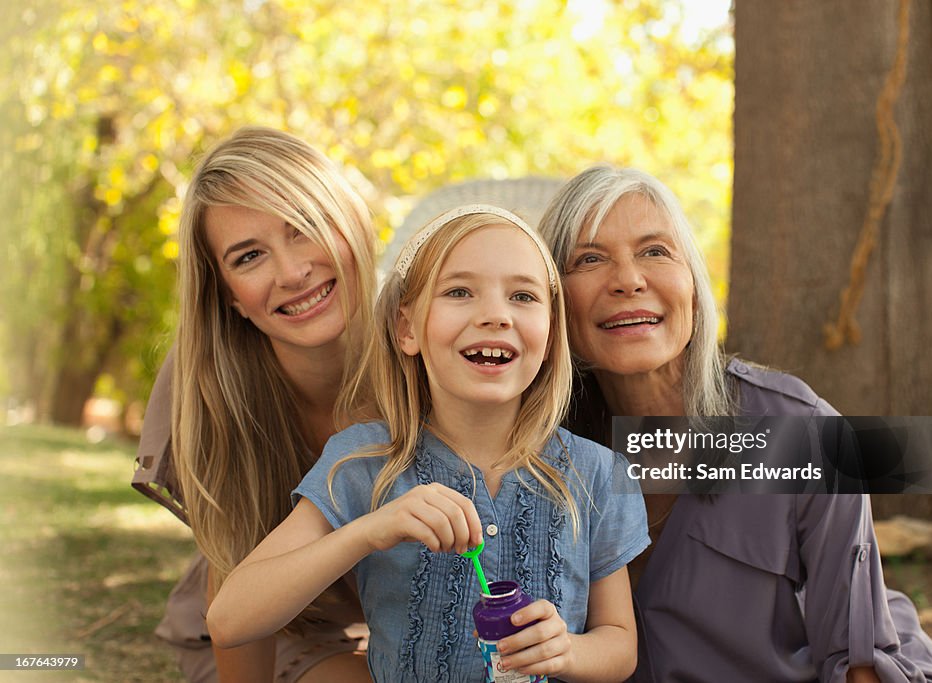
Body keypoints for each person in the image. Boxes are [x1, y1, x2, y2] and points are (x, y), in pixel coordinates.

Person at [536, 165, 932, 683]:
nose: (628, 280)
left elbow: (856, 662)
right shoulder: (533, 450)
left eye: (655, 252)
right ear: (552, 297)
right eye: (590, 259)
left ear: (692, 281)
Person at [206, 205, 650, 682]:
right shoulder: (364, 463)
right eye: (459, 292)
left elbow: (620, 644)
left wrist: (566, 651)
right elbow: (230, 619)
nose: (496, 315)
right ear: (407, 328)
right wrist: (368, 532)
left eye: (523, 295)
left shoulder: (598, 473)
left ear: (550, 332)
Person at [132, 127, 378, 682]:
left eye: (305, 228)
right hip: (281, 626)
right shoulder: (213, 384)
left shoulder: (442, 345)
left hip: (404, 620)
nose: (292, 273)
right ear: (228, 294)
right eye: (249, 256)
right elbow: (238, 595)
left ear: (350, 223)